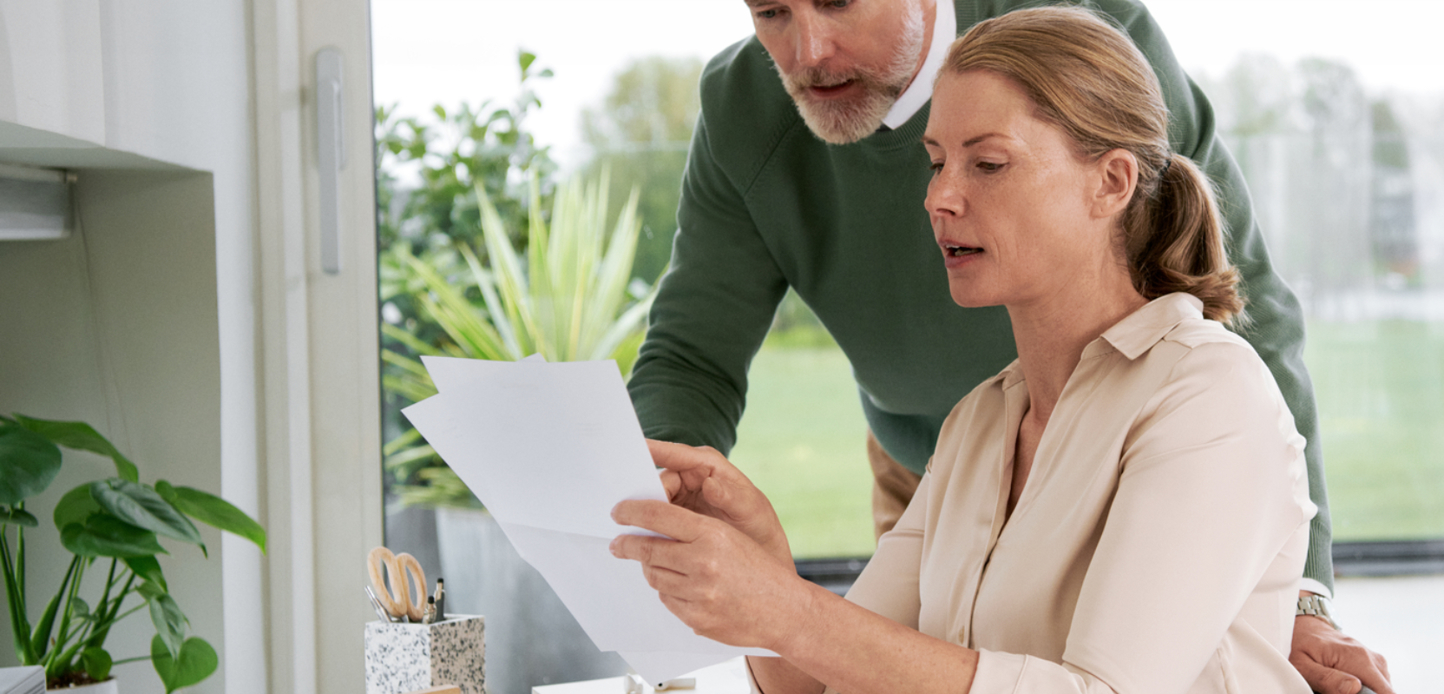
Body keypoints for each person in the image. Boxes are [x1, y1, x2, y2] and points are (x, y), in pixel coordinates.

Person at [623, 1, 1393, 691]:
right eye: (935, 162)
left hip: (1173, 441)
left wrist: (1293, 589)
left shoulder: (1209, 399)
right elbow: (820, 679)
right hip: (971, 428)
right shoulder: (976, 428)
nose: (938, 198)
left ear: (1113, 182)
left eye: (988, 165)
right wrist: (760, 561)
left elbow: (1250, 319)